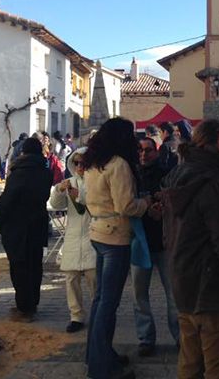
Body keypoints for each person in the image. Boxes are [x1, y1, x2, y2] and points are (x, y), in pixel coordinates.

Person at [164, 120, 219, 379]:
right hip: (214, 293)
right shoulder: (214, 184)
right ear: (209, 146)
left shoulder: (179, 176)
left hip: (184, 286)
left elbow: (169, 234)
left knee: (190, 366)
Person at [82, 117, 152, 379]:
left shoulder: (93, 163)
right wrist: (144, 202)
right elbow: (126, 206)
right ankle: (101, 369)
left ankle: (97, 355)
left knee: (100, 300)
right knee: (107, 304)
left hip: (98, 233)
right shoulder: (119, 165)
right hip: (116, 238)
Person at [0, 137, 52, 321]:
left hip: (17, 228)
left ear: (23, 152)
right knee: (35, 266)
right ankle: (32, 304)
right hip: (38, 225)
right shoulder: (45, 172)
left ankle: (24, 308)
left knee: (19, 268)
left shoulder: (18, 174)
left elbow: (7, 201)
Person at [132, 138, 179, 357]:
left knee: (174, 295)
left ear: (156, 152)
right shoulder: (131, 175)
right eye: (140, 150)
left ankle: (180, 336)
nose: (143, 154)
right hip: (140, 243)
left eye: (148, 151)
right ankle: (146, 338)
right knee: (139, 295)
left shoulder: (168, 174)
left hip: (164, 242)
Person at [48, 148, 96, 333]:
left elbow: (98, 203)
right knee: (71, 279)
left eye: (83, 163)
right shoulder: (69, 182)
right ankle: (76, 316)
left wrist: (81, 197)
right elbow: (56, 205)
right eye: (76, 163)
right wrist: (59, 191)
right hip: (74, 237)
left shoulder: (96, 182)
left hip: (93, 236)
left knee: (94, 278)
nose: (79, 166)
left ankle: (98, 313)